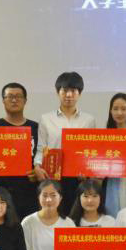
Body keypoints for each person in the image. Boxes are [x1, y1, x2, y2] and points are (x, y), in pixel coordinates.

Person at [33, 71, 96, 215]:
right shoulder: (46, 119)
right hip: (52, 176)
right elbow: (41, 148)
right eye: (65, 90)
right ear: (58, 92)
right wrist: (37, 166)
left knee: (75, 216)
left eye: (73, 91)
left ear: (80, 93)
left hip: (78, 178)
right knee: (54, 215)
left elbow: (90, 151)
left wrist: (87, 170)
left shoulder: (88, 120)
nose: (69, 95)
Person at [0, 82, 41, 219]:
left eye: (18, 96)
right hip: (2, 191)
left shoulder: (36, 128)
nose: (14, 100)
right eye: (10, 96)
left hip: (31, 191)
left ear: (25, 101)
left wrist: (37, 172)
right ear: (3, 101)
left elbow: (43, 156)